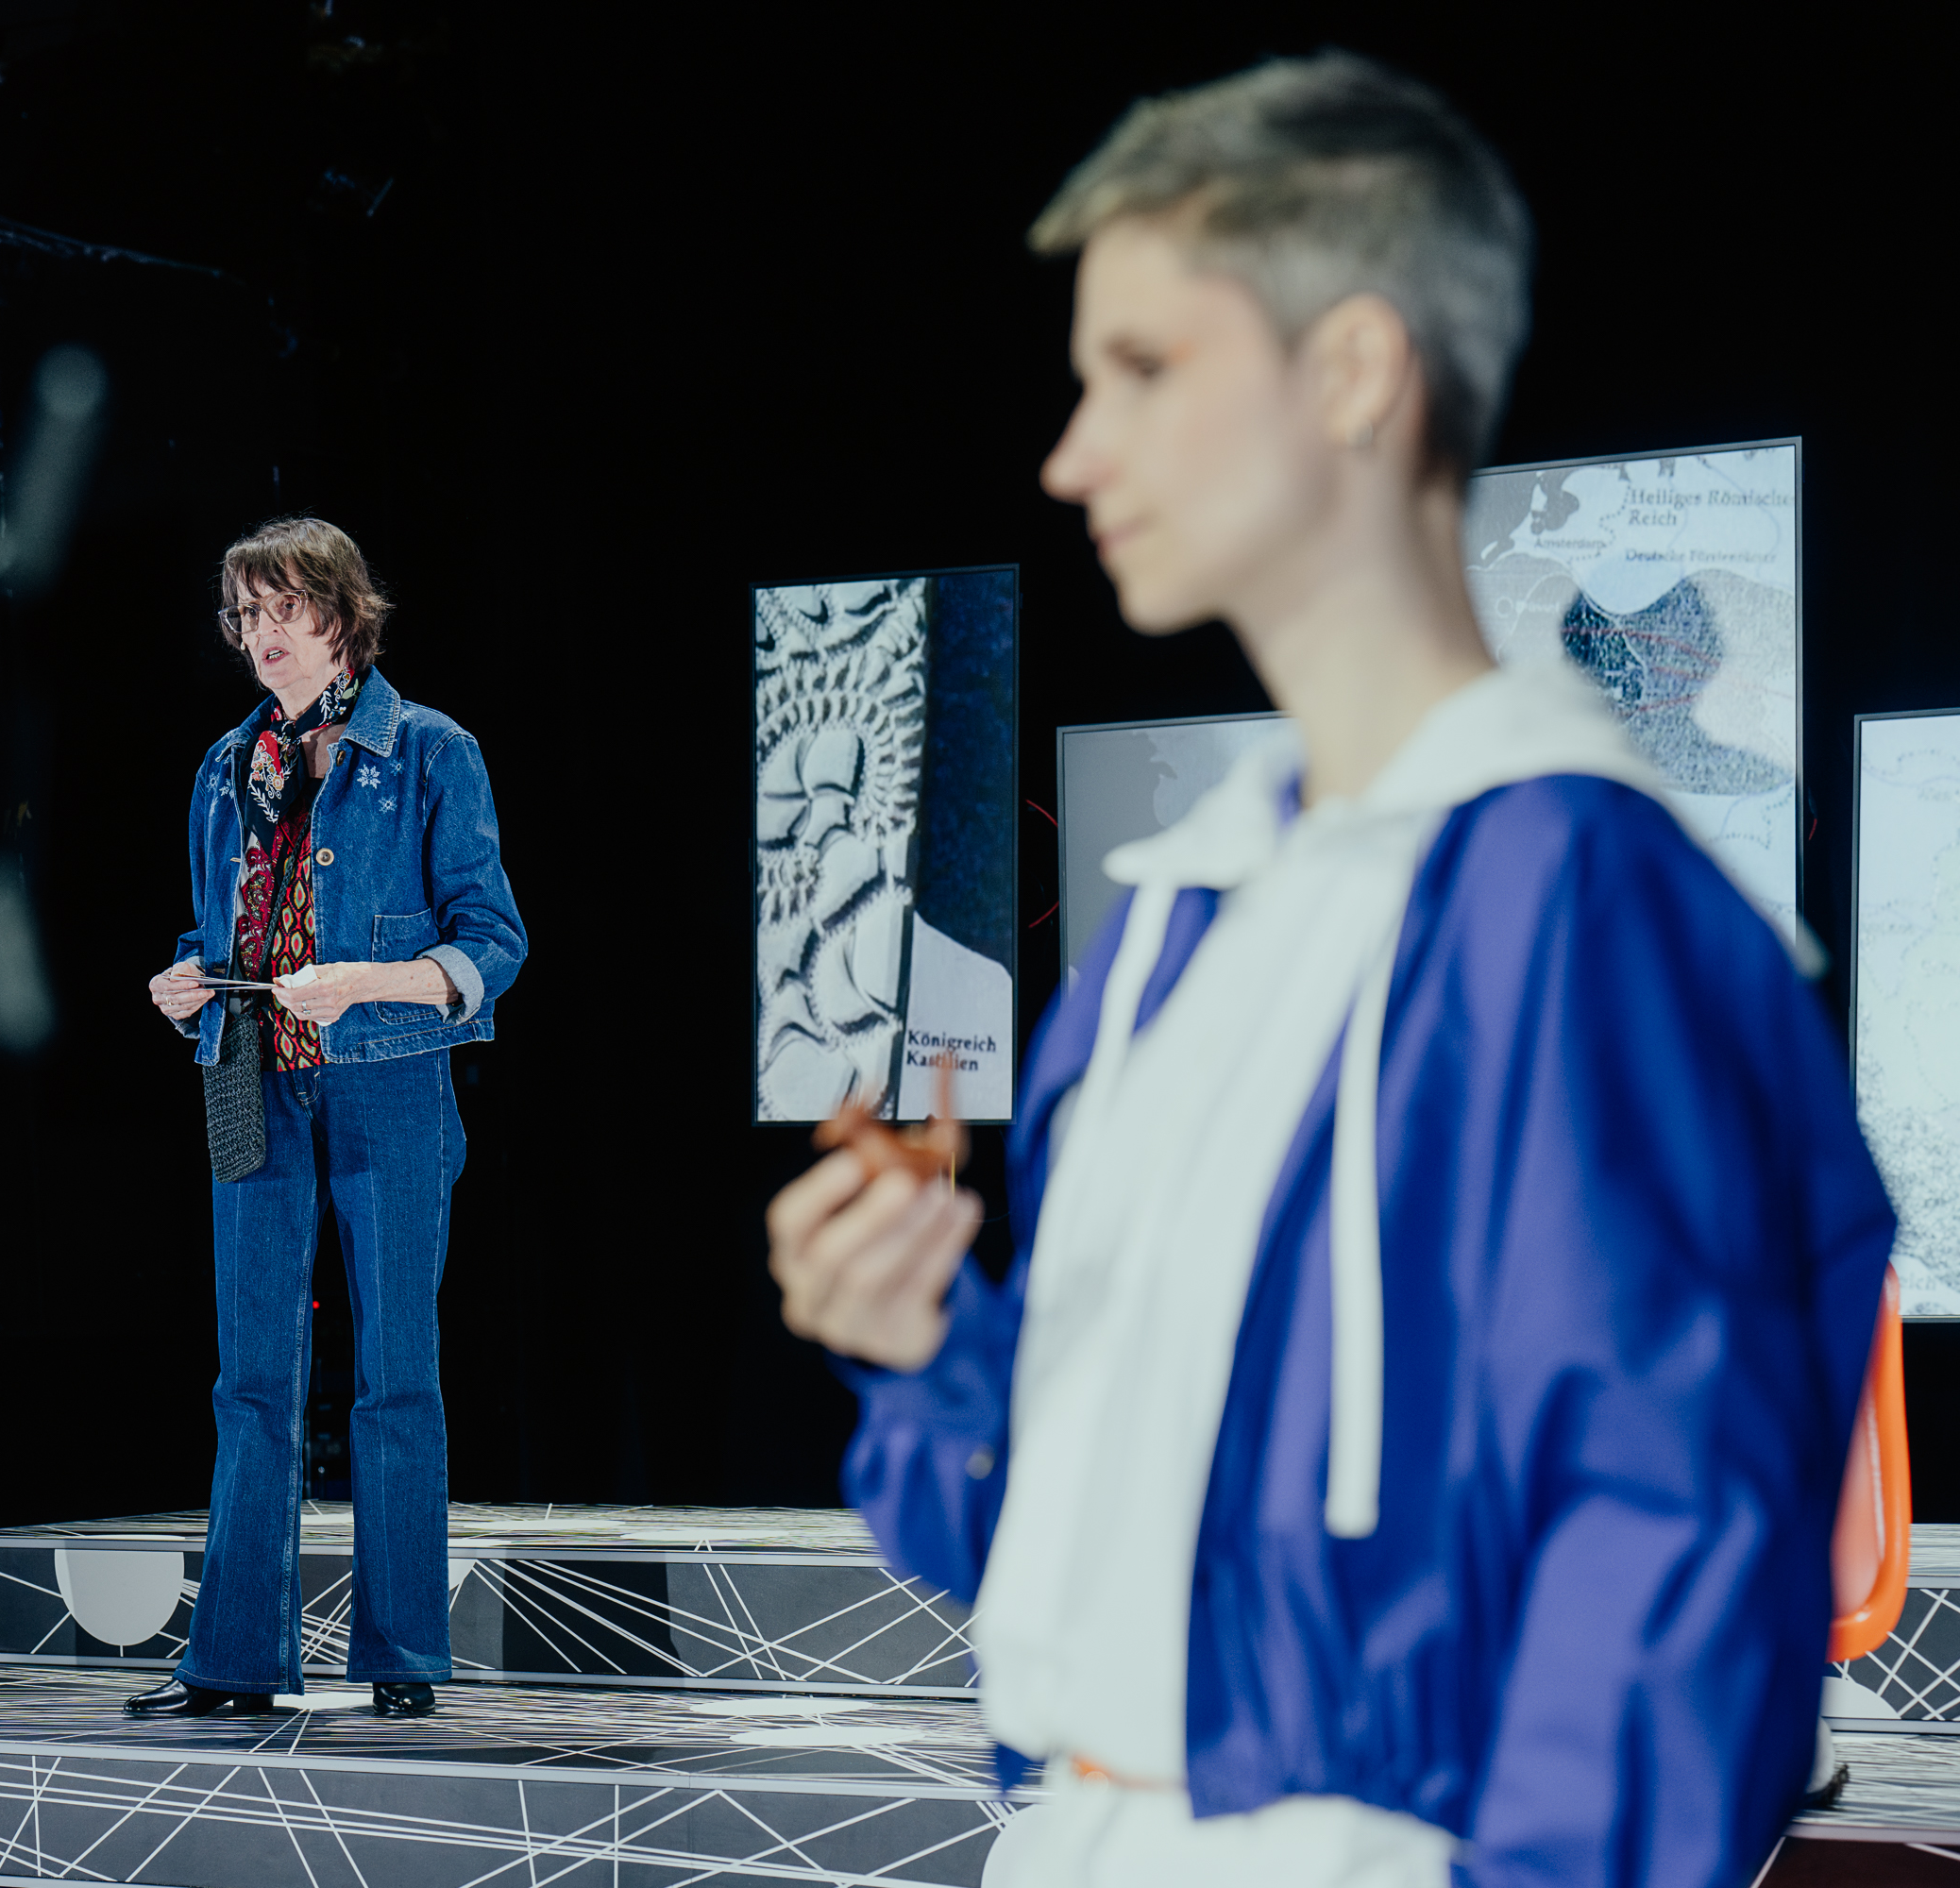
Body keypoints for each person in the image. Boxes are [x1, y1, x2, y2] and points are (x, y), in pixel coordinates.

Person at [764, 52, 1893, 1888]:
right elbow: (1098, 1554)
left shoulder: (1587, 910)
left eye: (1143, 368)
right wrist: (931, 1358)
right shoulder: (1170, 932)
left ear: (1356, 370)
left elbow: (1666, 1609)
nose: (1073, 453)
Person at [134, 515, 526, 1720]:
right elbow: (222, 928)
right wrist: (189, 978)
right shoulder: (226, 766)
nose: (261, 633)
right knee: (250, 1379)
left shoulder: (429, 750)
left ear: (342, 614)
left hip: (388, 1082)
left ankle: (403, 1652)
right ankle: (234, 1660)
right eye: (246, 613)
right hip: (250, 1077)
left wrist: (366, 983)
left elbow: (491, 945)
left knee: (395, 1374)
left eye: (283, 608)